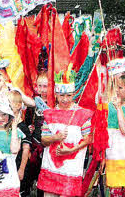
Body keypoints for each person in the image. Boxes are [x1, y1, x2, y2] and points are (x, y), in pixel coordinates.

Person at [37, 66, 93, 197]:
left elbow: (89, 138)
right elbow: (43, 140)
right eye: (61, 95)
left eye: (69, 95)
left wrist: (71, 150)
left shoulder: (82, 114)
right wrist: (55, 138)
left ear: (74, 95)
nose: (65, 99)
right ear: (56, 95)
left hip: (71, 170)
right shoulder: (49, 114)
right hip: (51, 169)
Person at [9, 90, 33, 197]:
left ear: (19, 105)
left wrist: (21, 169)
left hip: (18, 167)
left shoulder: (23, 127)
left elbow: (26, 150)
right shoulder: (4, 126)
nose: (7, 106)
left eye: (10, 104)